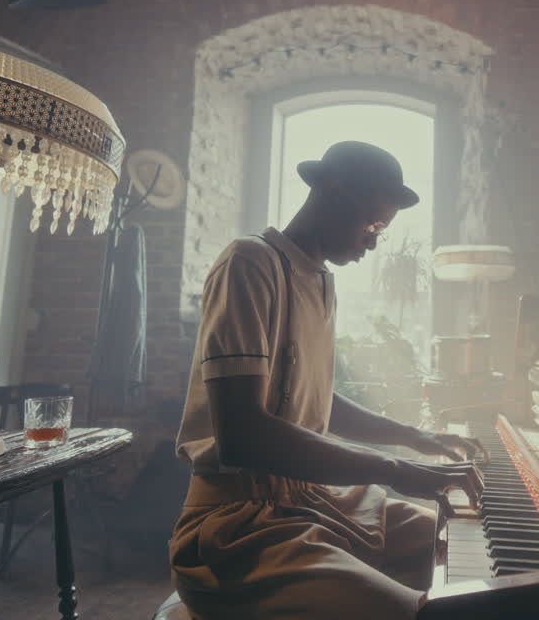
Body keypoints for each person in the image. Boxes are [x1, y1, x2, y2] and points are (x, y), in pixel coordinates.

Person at [171, 141, 485, 619]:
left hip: (315, 501)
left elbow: (314, 400)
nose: (374, 240)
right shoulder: (250, 262)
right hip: (242, 525)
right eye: (373, 224)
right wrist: (395, 470)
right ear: (333, 192)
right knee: (432, 613)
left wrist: (415, 437)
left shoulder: (322, 281)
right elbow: (243, 436)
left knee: (474, 544)